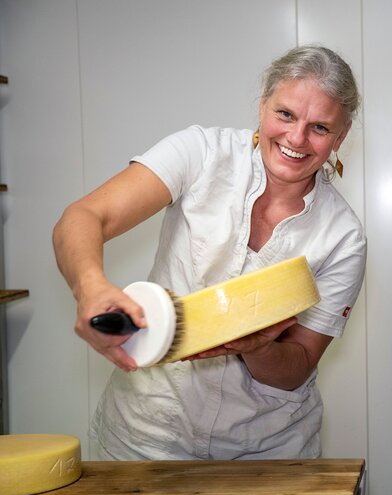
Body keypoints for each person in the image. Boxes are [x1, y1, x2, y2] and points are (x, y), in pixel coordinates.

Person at [52, 45, 366, 460]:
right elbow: (84, 216)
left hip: (265, 451)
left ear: (340, 137)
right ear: (262, 105)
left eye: (320, 128)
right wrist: (90, 287)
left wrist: (258, 347)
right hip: (147, 437)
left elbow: (298, 366)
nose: (296, 138)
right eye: (285, 114)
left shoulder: (343, 238)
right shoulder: (201, 153)